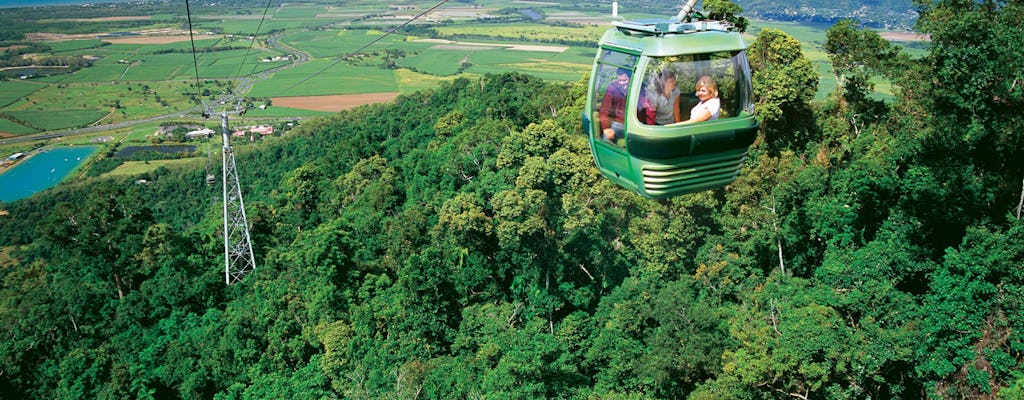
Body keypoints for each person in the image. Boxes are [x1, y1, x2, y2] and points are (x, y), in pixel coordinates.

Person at [599, 67, 630, 142]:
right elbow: (605, 109)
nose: (622, 83)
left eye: (624, 80)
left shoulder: (639, 87)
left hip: (635, 123)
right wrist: (606, 128)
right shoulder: (613, 88)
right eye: (619, 80)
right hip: (619, 123)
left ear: (631, 78)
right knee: (607, 137)